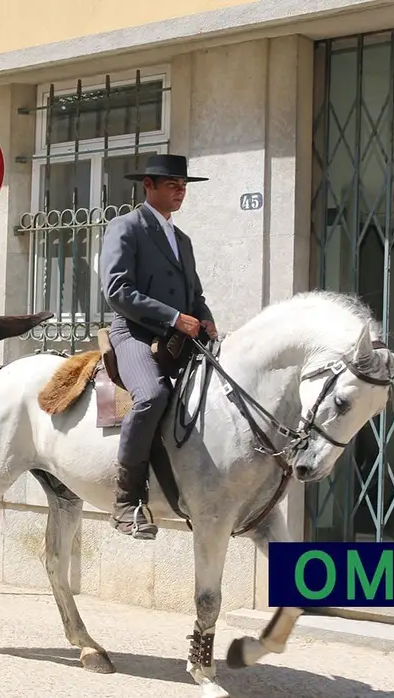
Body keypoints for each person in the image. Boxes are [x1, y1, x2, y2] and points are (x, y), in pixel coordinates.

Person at [98, 153, 218, 540]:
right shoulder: (126, 227)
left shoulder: (181, 239)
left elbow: (194, 294)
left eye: (183, 185)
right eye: (172, 184)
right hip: (133, 332)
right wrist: (172, 317)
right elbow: (117, 290)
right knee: (151, 395)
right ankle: (125, 501)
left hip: (179, 336)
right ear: (148, 186)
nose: (180, 190)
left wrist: (206, 317)